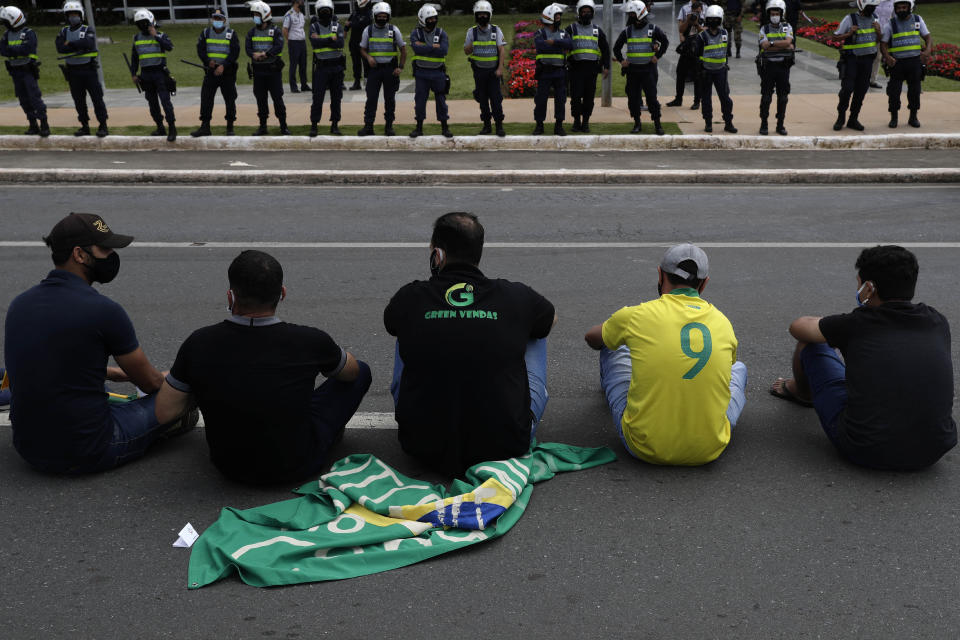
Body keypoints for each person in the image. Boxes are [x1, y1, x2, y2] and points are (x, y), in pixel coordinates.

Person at [155, 250, 371, 485]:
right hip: (298, 466)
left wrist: (202, 381)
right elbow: (352, 373)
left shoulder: (198, 342)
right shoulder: (310, 341)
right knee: (363, 370)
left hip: (229, 467)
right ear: (282, 294)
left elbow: (164, 412)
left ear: (230, 297)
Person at [4, 213, 195, 474]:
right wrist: (173, 382)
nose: (111, 255)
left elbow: (49, 362)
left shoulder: (19, 305)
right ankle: (165, 428)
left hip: (29, 448)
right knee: (184, 389)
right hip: (89, 450)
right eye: (104, 249)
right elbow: (151, 384)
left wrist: (115, 374)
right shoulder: (103, 311)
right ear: (79, 255)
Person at [384, 212, 557, 476]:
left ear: (437, 254)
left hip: (422, 446)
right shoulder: (515, 295)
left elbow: (391, 325)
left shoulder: (411, 296)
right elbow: (551, 317)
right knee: (535, 325)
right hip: (504, 445)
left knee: (407, 325)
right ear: (479, 251)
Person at [770, 245, 956, 471]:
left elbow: (798, 327)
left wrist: (837, 330)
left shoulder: (857, 323)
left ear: (869, 288)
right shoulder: (937, 321)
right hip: (933, 450)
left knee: (811, 345)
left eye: (859, 283)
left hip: (866, 449)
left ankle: (801, 392)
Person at [584, 243, 746, 466]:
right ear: (704, 283)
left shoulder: (637, 315)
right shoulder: (723, 322)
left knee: (615, 344)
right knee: (739, 369)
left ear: (660, 275)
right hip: (708, 449)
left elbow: (592, 337)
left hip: (643, 447)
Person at [614, 0, 667, 135]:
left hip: (648, 70)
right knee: (633, 98)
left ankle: (658, 124)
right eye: (629, 14)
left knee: (651, 98)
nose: (630, 16)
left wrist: (658, 56)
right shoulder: (627, 31)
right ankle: (637, 123)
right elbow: (616, 48)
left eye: (632, 13)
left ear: (640, 13)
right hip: (632, 71)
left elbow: (665, 41)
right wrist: (621, 61)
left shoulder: (653, 29)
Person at [56, 1, 108, 138]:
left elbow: (88, 43)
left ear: (81, 15)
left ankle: (103, 125)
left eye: (75, 14)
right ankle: (84, 126)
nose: (73, 17)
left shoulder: (87, 29)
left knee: (97, 99)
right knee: (79, 101)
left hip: (88, 70)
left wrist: (70, 43)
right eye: (70, 15)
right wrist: (78, 46)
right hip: (72, 72)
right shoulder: (63, 31)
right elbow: (60, 48)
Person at [880, 0, 931, 129]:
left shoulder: (918, 20)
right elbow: (883, 44)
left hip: (914, 62)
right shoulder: (890, 24)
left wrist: (928, 50)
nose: (902, 10)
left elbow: (928, 37)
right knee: (894, 92)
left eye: (904, 7)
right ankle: (894, 118)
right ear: (895, 9)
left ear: (910, 7)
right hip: (897, 64)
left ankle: (913, 117)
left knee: (914, 91)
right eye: (899, 8)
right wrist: (887, 57)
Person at [832, 0, 881, 132]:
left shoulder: (876, 19)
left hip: (867, 61)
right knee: (847, 89)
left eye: (874, 7)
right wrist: (848, 34)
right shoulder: (850, 19)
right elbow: (834, 38)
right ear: (862, 6)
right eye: (870, 7)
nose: (873, 9)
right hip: (852, 60)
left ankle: (853, 119)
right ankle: (840, 117)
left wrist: (879, 32)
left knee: (861, 91)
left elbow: (878, 40)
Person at [0, 6, 49, 137]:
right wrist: (16, 49)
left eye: (6, 21)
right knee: (23, 100)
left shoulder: (29, 33)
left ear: (13, 20)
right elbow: (2, 50)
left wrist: (12, 50)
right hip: (15, 72)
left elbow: (27, 49)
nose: (4, 24)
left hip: (28, 71)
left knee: (34, 98)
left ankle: (44, 123)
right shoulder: (6, 35)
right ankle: (33, 124)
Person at [358, 2, 405, 136]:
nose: (382, 18)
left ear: (388, 16)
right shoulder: (368, 30)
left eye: (385, 16)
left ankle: (389, 127)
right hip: (374, 70)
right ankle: (368, 126)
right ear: (374, 16)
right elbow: (362, 49)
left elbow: (403, 49)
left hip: (390, 70)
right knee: (371, 99)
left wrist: (400, 67)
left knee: (390, 100)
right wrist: (368, 57)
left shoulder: (394, 30)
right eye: (380, 15)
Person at [191, 8, 240, 138]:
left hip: (227, 72)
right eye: (215, 18)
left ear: (224, 20)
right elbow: (200, 49)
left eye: (219, 18)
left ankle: (230, 127)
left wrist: (223, 65)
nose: (217, 20)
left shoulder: (231, 34)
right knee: (206, 98)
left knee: (230, 99)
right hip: (211, 71)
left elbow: (235, 53)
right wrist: (208, 61)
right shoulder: (206, 33)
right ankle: (205, 126)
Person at [130, 9, 176, 142]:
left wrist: (156, 36)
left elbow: (169, 47)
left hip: (160, 73)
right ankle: (160, 127)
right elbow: (134, 58)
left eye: (145, 23)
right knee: (152, 104)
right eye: (140, 24)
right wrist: (133, 74)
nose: (143, 26)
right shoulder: (137, 38)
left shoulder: (161, 35)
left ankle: (172, 128)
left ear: (151, 21)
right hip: (145, 75)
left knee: (165, 102)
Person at [565, 0, 609, 134]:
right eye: (583, 12)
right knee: (576, 97)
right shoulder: (571, 29)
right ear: (579, 13)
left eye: (588, 12)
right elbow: (562, 45)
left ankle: (585, 122)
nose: (586, 14)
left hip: (592, 70)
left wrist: (605, 66)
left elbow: (605, 50)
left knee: (589, 98)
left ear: (592, 13)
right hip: (576, 68)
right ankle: (576, 121)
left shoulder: (597, 30)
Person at [246, 1, 290, 136]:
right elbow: (248, 48)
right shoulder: (252, 32)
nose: (254, 17)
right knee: (261, 100)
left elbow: (278, 46)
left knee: (277, 99)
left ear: (264, 15)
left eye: (256, 14)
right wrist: (254, 54)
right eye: (253, 14)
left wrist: (265, 54)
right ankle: (263, 126)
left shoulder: (275, 31)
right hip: (258, 72)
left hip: (273, 71)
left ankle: (283, 126)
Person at [464, 1, 506, 137]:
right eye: (480, 14)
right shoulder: (471, 31)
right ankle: (487, 126)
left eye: (485, 14)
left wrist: (500, 69)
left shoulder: (496, 30)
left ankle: (499, 126)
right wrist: (471, 45)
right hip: (479, 72)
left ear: (490, 15)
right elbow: (466, 51)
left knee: (496, 100)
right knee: (482, 100)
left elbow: (501, 50)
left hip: (493, 72)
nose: (482, 17)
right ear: (476, 15)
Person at [409, 4, 451, 139]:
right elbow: (417, 49)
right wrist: (433, 47)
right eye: (429, 19)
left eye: (434, 18)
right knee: (420, 101)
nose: (432, 21)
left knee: (441, 101)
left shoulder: (441, 33)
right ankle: (419, 128)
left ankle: (445, 127)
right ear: (422, 19)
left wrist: (425, 46)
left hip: (438, 73)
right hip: (421, 74)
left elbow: (444, 50)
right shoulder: (416, 33)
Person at [694, 4, 737, 133]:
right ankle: (708, 123)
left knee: (725, 99)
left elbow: (725, 52)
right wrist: (701, 70)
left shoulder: (725, 33)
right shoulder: (702, 36)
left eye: (716, 19)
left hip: (721, 71)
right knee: (706, 99)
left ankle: (728, 122)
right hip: (706, 72)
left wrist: (725, 65)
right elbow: (697, 55)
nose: (714, 21)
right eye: (711, 19)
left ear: (720, 20)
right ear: (707, 19)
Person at [533, 3, 573, 136]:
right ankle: (539, 125)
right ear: (549, 17)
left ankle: (559, 126)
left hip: (560, 72)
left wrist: (554, 42)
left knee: (561, 100)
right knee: (540, 100)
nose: (559, 19)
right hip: (544, 71)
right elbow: (541, 46)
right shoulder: (540, 33)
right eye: (557, 17)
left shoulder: (563, 33)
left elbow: (570, 44)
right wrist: (560, 46)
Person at [308, 0, 345, 137]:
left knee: (336, 98)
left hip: (336, 67)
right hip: (321, 67)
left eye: (327, 10)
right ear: (317, 12)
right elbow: (314, 43)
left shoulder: (337, 25)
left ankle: (335, 125)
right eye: (322, 10)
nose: (325, 13)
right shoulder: (314, 27)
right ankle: (314, 125)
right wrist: (331, 39)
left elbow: (340, 42)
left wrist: (323, 40)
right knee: (317, 98)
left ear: (332, 11)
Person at [757, 0, 794, 135]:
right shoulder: (764, 29)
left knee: (783, 97)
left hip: (783, 66)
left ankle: (780, 125)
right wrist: (782, 44)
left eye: (777, 13)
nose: (774, 15)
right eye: (772, 13)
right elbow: (764, 46)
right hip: (768, 67)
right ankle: (764, 124)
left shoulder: (787, 27)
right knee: (766, 97)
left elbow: (789, 42)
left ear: (781, 13)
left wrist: (772, 44)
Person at [665, 0, 703, 109]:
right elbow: (681, 30)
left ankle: (697, 101)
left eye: (698, 12)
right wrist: (688, 21)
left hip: (697, 52)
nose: (696, 14)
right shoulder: (688, 19)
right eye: (695, 12)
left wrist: (696, 23)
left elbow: (703, 32)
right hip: (686, 50)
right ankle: (678, 99)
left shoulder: (702, 20)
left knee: (697, 77)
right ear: (691, 11)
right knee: (680, 74)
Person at [283, 0, 310, 92]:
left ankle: (304, 85)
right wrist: (288, 40)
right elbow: (285, 29)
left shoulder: (301, 14)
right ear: (295, 3)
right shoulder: (289, 14)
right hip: (294, 42)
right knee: (294, 65)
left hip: (302, 42)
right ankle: (293, 86)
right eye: (301, 2)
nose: (302, 4)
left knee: (303, 65)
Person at [345, 0, 372, 90]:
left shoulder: (369, 13)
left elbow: (364, 23)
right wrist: (346, 30)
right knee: (355, 63)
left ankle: (368, 80)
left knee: (366, 62)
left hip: (364, 42)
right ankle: (357, 82)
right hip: (354, 42)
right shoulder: (355, 13)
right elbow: (347, 23)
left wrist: (351, 24)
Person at [869, 0, 894, 88]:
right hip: (871, 32)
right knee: (866, 55)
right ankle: (861, 77)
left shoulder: (893, 2)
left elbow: (894, 17)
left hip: (885, 32)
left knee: (878, 57)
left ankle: (872, 80)